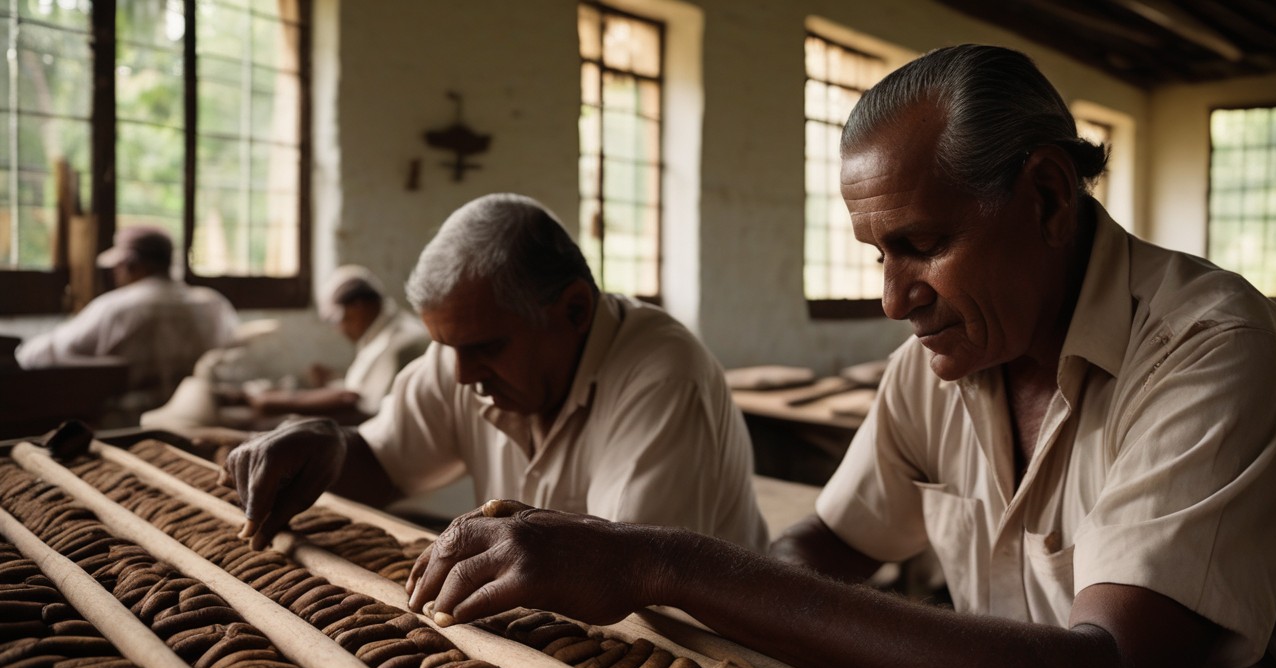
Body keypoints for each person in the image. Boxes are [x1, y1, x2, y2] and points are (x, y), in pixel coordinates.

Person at [401, 46, 1276, 668]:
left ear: (1050, 196)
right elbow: (822, 551)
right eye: (876, 254)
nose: (894, 299)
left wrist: (661, 559)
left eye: (921, 245)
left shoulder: (1212, 350)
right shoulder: (938, 367)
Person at [224, 192, 768, 553]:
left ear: (575, 311)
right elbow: (385, 462)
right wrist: (332, 448)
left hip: (705, 660)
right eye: (449, 348)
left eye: (485, 347)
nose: (461, 375)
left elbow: (629, 574)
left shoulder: (662, 377)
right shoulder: (463, 350)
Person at [15, 225, 238, 400]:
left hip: (125, 426)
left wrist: (20, 350)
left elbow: (41, 355)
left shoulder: (118, 307)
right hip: (198, 416)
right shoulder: (214, 304)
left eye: (118, 267)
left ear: (131, 264)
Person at [243, 264, 429, 423]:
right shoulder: (391, 330)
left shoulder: (399, 345)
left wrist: (280, 403)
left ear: (359, 306)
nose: (340, 329)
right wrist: (335, 380)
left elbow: (362, 409)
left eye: (339, 319)